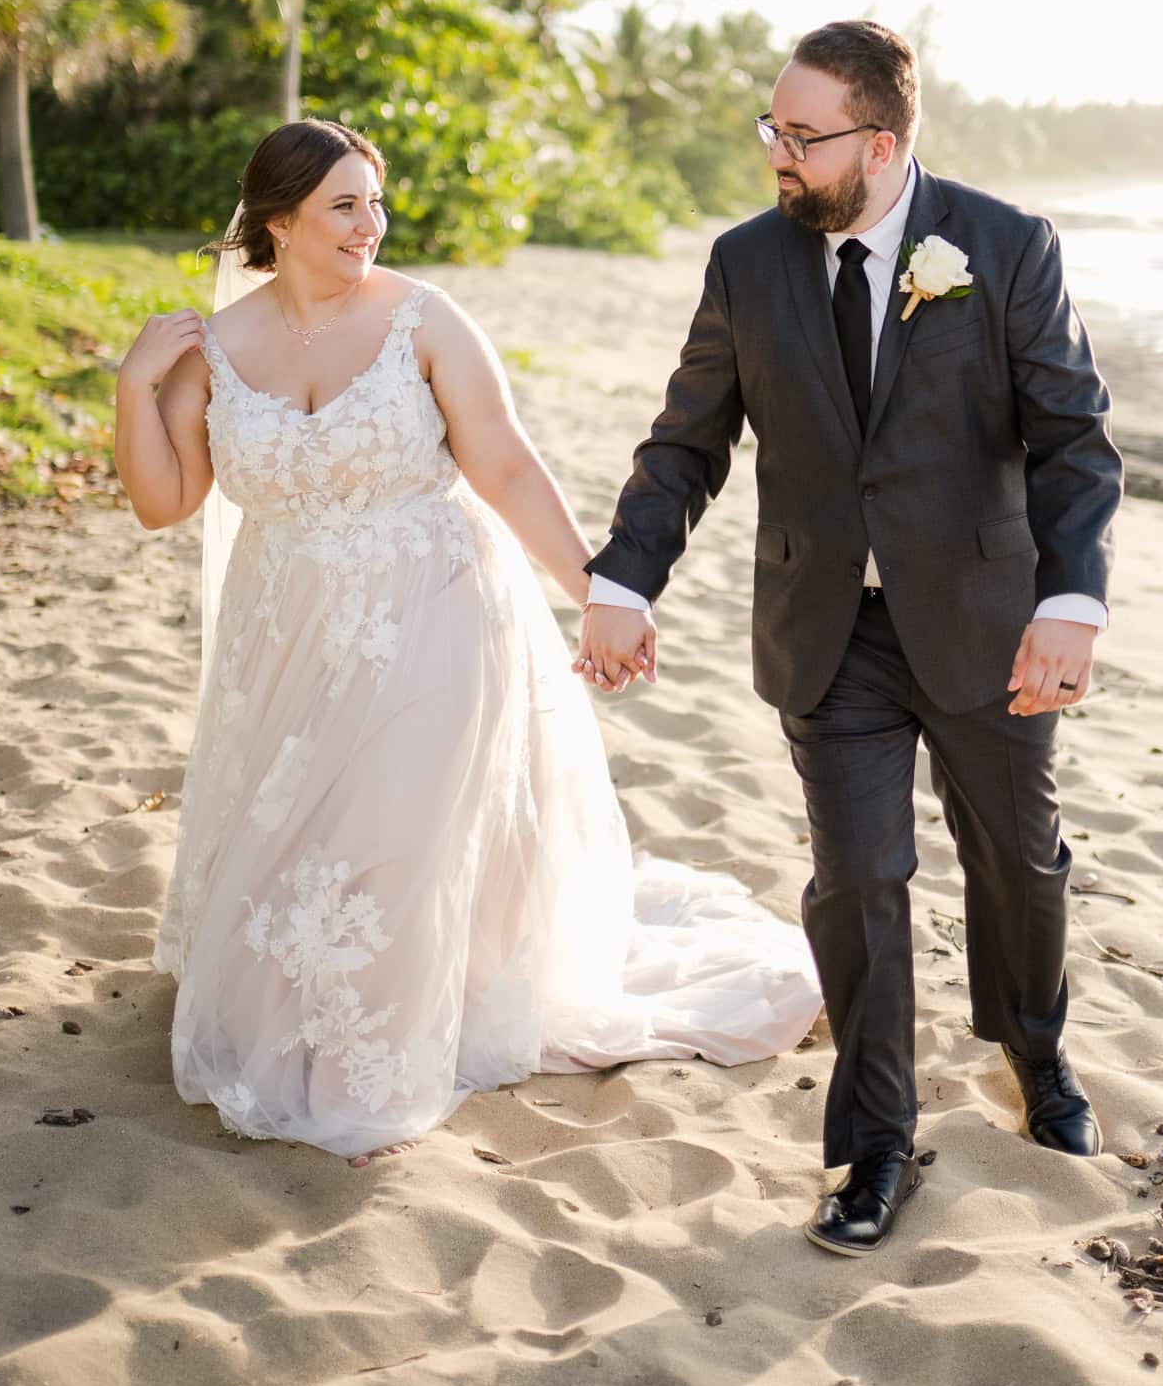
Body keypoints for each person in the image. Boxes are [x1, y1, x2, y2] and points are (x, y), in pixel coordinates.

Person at [114, 118, 820, 1166]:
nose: (371, 225)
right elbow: (165, 503)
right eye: (344, 205)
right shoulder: (208, 352)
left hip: (437, 605)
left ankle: (384, 1055)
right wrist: (135, 386)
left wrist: (600, 593)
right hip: (287, 637)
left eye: (376, 200)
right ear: (278, 220)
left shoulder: (427, 321)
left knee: (398, 831)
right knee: (309, 840)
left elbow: (509, 470)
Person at [574, 21, 1122, 1255]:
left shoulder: (1005, 246)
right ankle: (874, 1142)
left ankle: (1034, 1052)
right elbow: (685, 444)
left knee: (1021, 865)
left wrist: (1070, 604)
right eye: (772, 127)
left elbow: (1075, 444)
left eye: (800, 135)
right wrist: (625, 578)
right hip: (830, 632)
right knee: (860, 881)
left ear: (880, 144)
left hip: (990, 628)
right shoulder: (748, 263)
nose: (777, 152)